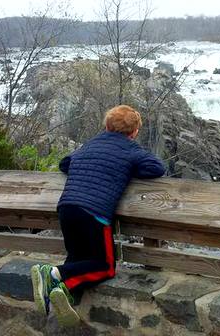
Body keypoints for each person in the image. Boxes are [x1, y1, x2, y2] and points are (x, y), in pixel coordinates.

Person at [31, 105, 166, 326]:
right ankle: (51, 274)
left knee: (79, 260)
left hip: (66, 209)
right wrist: (127, 169)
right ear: (134, 133)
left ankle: (60, 290)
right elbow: (157, 168)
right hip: (94, 215)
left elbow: (64, 163)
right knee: (105, 266)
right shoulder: (131, 150)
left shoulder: (89, 145)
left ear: (106, 126)